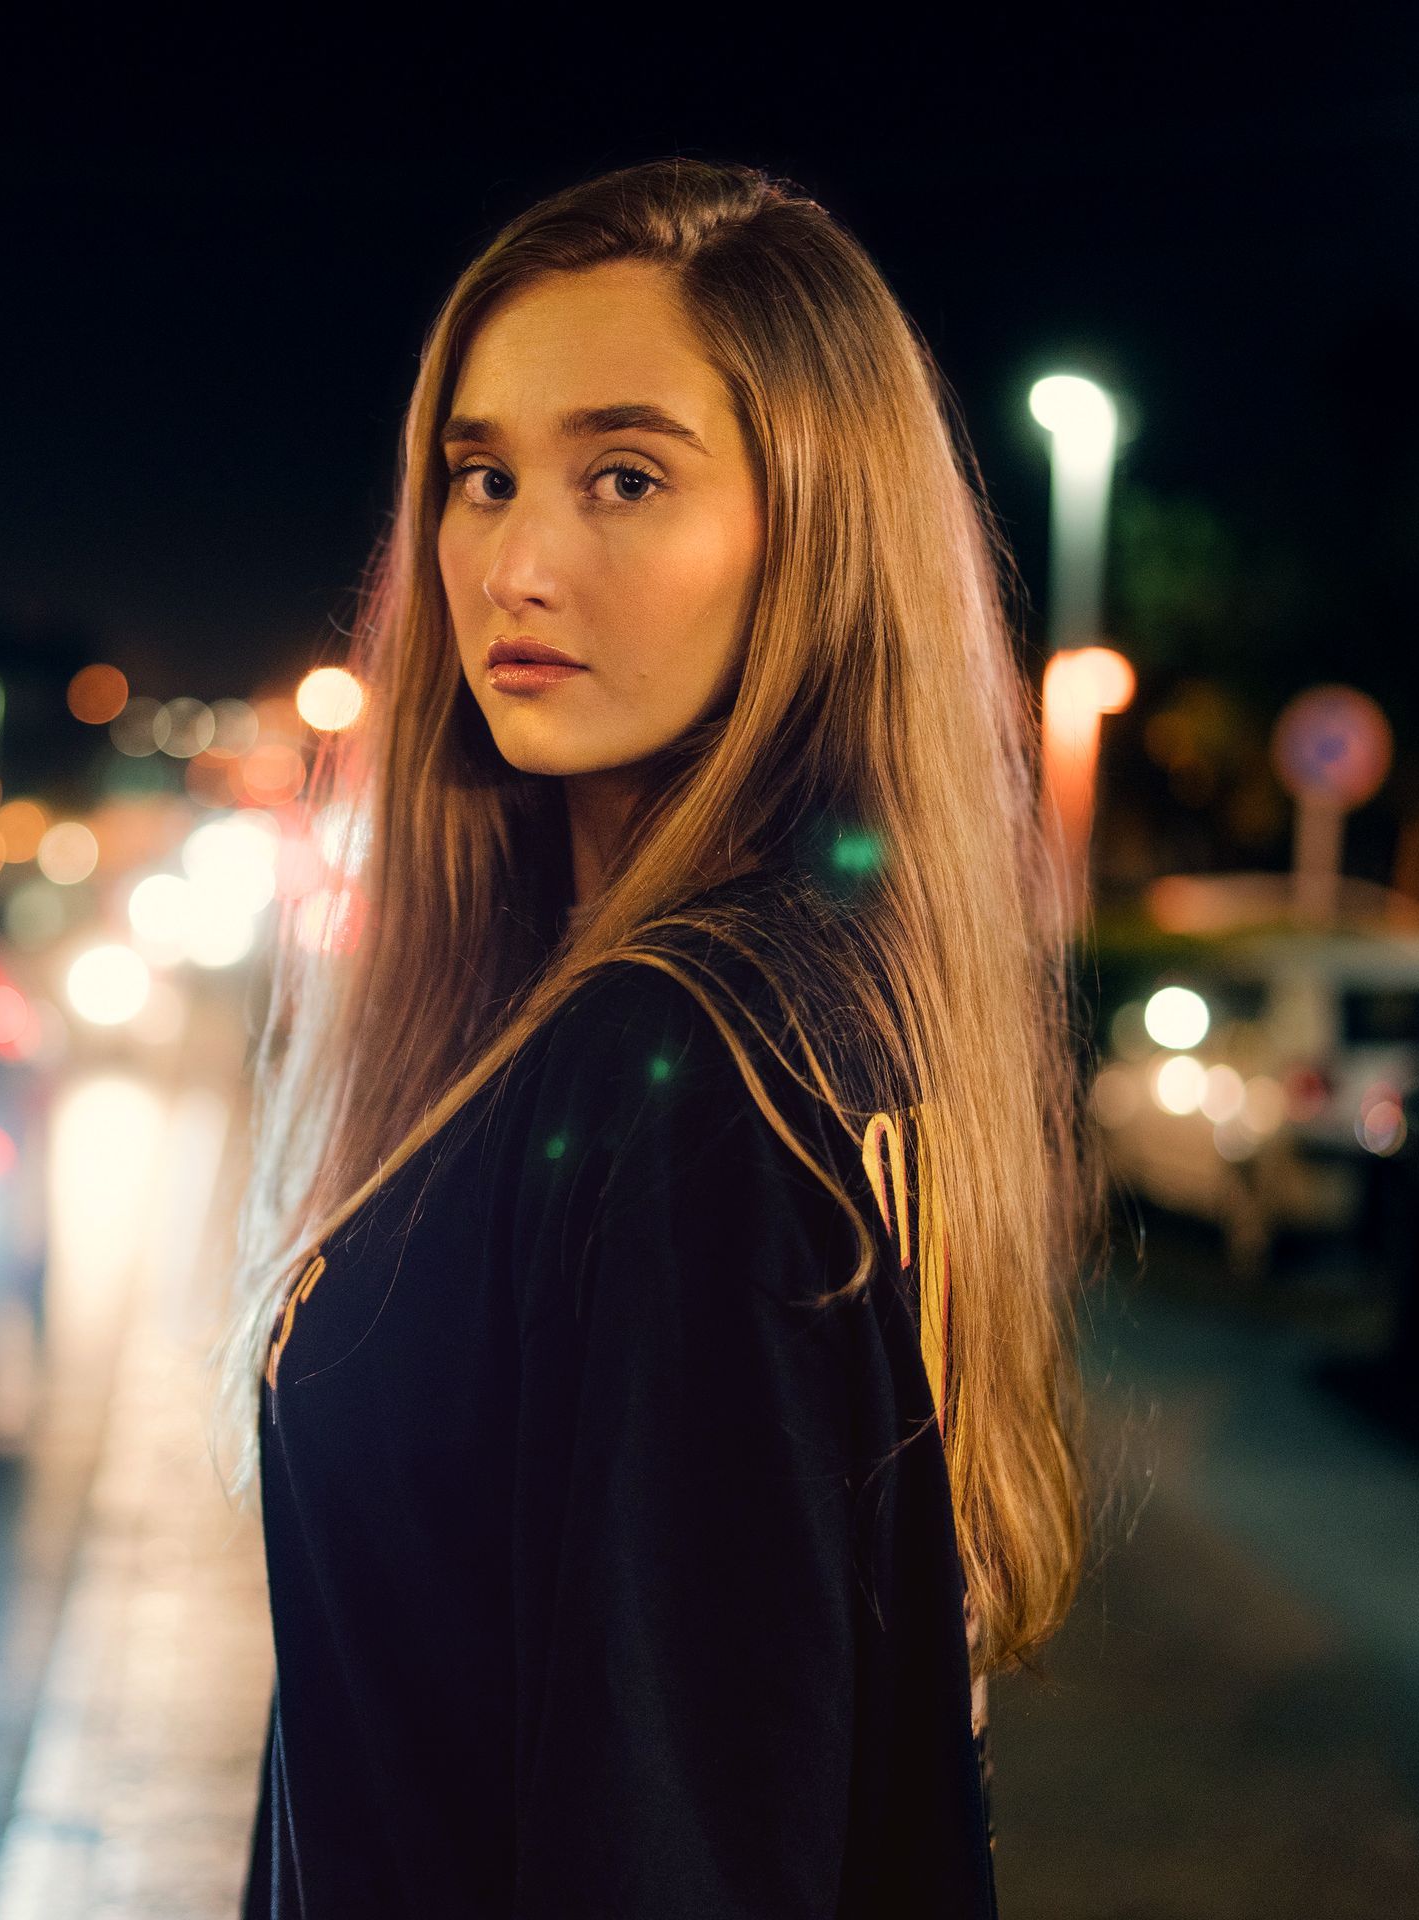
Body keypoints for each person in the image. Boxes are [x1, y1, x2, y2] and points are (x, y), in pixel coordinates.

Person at [210, 156, 1094, 1918]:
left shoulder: (684, 1071)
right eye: (480, 477)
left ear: (819, 534)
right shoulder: (814, 1007)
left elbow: (671, 1838)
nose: (516, 565)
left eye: (626, 477)